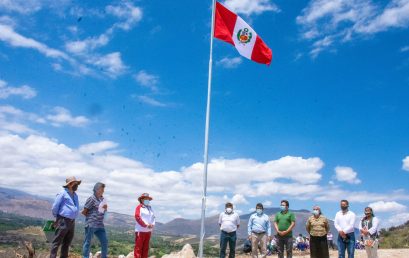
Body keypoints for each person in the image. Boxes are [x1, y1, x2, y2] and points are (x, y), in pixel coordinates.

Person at [50, 176, 81, 258]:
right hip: (63, 220)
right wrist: (57, 218)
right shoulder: (63, 193)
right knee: (57, 242)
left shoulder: (75, 195)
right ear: (70, 184)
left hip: (72, 221)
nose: (77, 185)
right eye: (75, 183)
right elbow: (55, 207)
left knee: (67, 243)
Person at [82, 182, 108, 258]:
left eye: (103, 189)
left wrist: (105, 208)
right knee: (87, 242)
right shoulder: (91, 198)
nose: (103, 190)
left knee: (104, 241)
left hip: (100, 225)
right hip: (91, 224)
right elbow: (84, 211)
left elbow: (102, 211)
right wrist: (92, 218)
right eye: (102, 189)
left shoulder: (102, 199)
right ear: (97, 189)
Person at [134, 193, 155, 258]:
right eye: (146, 199)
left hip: (148, 231)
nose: (147, 200)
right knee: (138, 248)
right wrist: (145, 225)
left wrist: (152, 224)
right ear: (142, 199)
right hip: (140, 231)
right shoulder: (139, 207)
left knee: (145, 248)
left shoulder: (150, 208)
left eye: (148, 199)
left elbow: (153, 217)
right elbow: (137, 217)